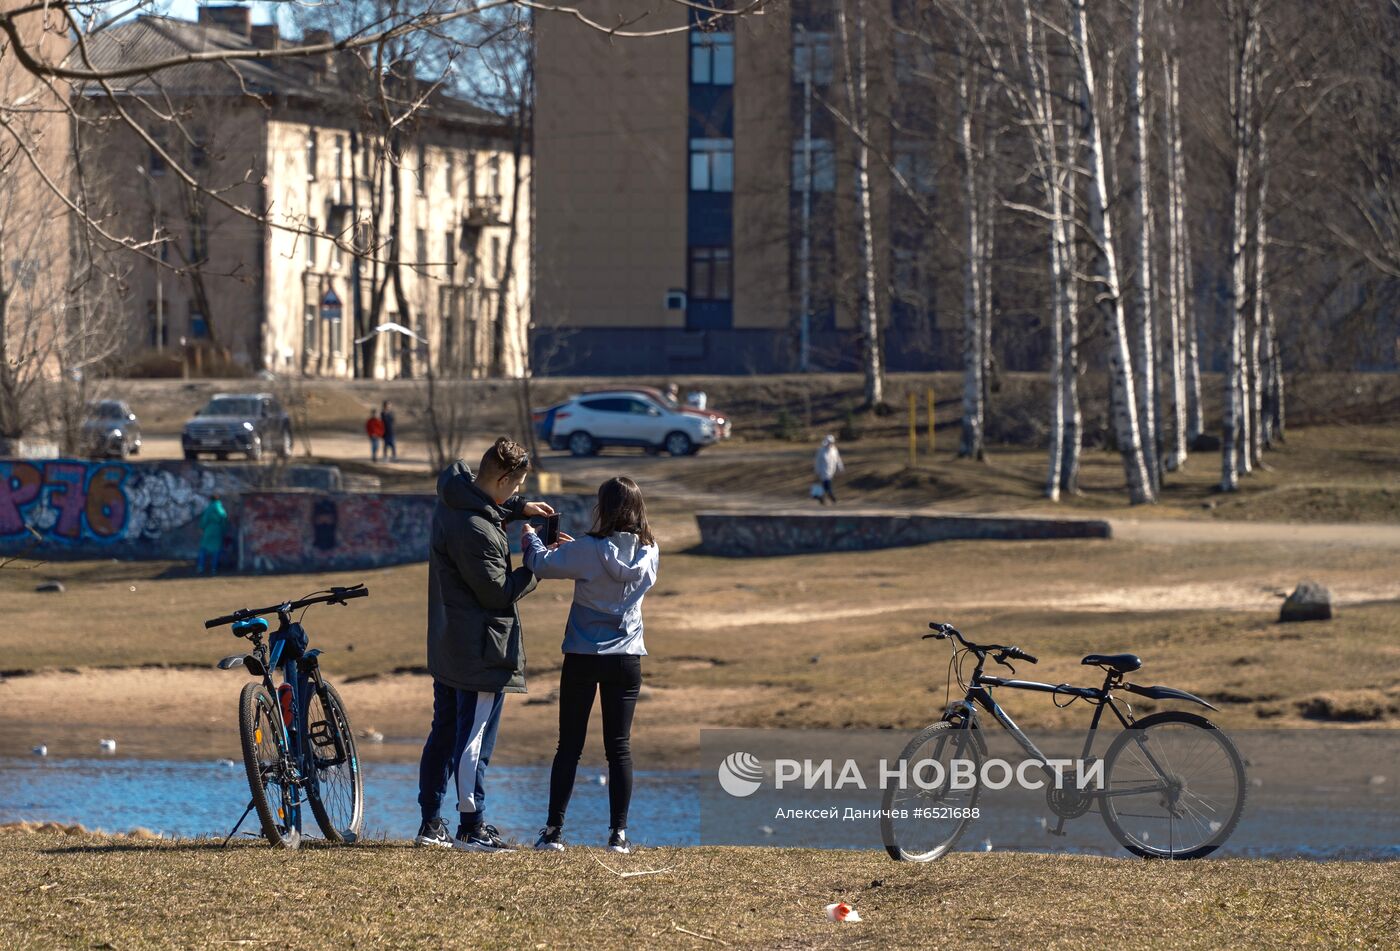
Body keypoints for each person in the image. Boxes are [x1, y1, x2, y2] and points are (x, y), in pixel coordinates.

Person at [416, 437, 555, 852]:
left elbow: (483, 502)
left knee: (443, 732)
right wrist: (536, 563)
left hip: (449, 642)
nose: (516, 494)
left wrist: (517, 509)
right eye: (515, 488)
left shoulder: (454, 499)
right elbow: (496, 593)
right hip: (479, 649)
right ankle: (471, 827)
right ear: (505, 477)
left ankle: (431, 823)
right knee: (472, 739)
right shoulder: (475, 529)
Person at [522, 476, 658, 855]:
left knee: (570, 746)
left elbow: (539, 563)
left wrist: (531, 535)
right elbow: (607, 565)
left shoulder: (586, 549)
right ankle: (619, 835)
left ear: (603, 507)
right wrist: (577, 551)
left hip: (583, 656)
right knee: (619, 748)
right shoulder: (651, 551)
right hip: (627, 658)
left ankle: (553, 832)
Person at [196, 495, 228, 575]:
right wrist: (224, 530)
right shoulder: (221, 509)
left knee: (203, 548)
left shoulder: (209, 508)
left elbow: (204, 519)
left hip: (208, 530)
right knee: (217, 550)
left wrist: (202, 527)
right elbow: (224, 519)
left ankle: (200, 567)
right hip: (218, 530)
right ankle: (214, 568)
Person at [814, 434, 844, 505]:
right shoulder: (821, 451)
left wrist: (840, 467)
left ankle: (821, 499)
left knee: (825, 487)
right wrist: (817, 471)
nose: (831, 444)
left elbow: (838, 459)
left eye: (832, 442)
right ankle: (833, 498)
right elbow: (817, 461)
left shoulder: (834, 450)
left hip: (831, 471)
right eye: (829, 442)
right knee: (827, 485)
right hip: (823, 471)